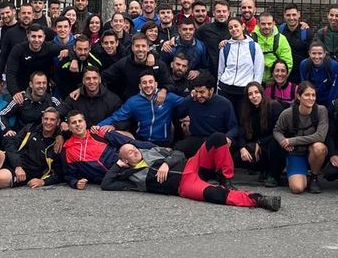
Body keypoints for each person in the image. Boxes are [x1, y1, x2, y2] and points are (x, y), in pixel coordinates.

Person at [102, 134, 282, 211]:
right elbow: (106, 184)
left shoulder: (151, 152)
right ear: (125, 160)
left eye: (134, 148)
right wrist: (118, 165)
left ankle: (226, 178)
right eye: (130, 153)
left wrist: (165, 163)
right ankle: (257, 199)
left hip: (190, 165)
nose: (135, 151)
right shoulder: (131, 179)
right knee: (214, 194)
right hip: (184, 186)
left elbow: (178, 152)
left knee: (218, 138)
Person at [99, 71, 185, 145]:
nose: (148, 85)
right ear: (140, 86)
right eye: (144, 83)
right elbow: (117, 116)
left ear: (156, 84)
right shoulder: (133, 102)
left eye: (150, 82)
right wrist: (98, 126)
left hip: (164, 142)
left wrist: (194, 94)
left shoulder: (168, 97)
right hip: (141, 141)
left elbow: (186, 103)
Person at [273, 82, 329, 195]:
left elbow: (320, 136)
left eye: (313, 95)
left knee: (319, 147)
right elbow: (277, 130)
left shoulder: (321, 110)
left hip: (312, 151)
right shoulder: (288, 113)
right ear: (299, 96)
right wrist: (283, 142)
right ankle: (297, 174)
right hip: (296, 153)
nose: (311, 98)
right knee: (297, 189)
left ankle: (314, 177)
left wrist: (292, 141)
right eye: (307, 95)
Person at [61, 110, 138, 189]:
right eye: (74, 122)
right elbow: (69, 175)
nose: (77, 124)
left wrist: (150, 147)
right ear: (69, 127)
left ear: (85, 123)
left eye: (80, 121)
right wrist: (75, 183)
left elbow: (128, 141)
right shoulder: (68, 149)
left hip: (129, 166)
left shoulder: (97, 132)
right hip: (110, 180)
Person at [172, 73, 239, 155]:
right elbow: (178, 114)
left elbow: (234, 127)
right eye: (196, 91)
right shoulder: (191, 100)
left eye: (202, 92)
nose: (199, 95)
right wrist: (189, 97)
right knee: (178, 147)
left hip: (216, 140)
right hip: (197, 139)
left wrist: (228, 136)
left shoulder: (225, 104)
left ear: (211, 90)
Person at [235, 82, 285, 187]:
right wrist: (242, 147)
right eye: (250, 94)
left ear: (262, 93)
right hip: (257, 144)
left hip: (273, 142)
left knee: (275, 144)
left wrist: (260, 142)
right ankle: (264, 170)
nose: (254, 96)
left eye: (256, 92)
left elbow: (280, 132)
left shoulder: (274, 106)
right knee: (238, 156)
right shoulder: (246, 110)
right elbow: (242, 131)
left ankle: (274, 175)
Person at [217, 18, 265, 116]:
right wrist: (218, 86)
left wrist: (254, 89)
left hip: (244, 90)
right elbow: (220, 69)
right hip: (225, 88)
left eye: (236, 26)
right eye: (230, 28)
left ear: (242, 27)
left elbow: (258, 71)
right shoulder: (225, 47)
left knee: (243, 119)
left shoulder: (254, 47)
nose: (233, 29)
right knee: (226, 118)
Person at [102, 34, 168, 99]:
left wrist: (164, 91)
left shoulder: (158, 64)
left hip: (153, 103)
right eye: (137, 46)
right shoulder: (124, 63)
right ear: (132, 48)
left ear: (148, 48)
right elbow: (104, 76)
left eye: (143, 46)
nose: (140, 49)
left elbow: (169, 83)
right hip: (131, 104)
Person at [0, 70, 62, 138]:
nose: (41, 86)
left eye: (44, 83)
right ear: (31, 84)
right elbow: (1, 114)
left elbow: (64, 117)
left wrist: (60, 135)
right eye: (38, 83)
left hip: (45, 140)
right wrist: (8, 130)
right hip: (22, 137)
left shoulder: (53, 101)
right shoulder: (20, 99)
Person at [5, 24, 63, 96]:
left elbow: (71, 48)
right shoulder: (18, 49)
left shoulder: (49, 48)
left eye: (40, 37)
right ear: (28, 36)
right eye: (33, 36)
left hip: (43, 89)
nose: (36, 40)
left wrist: (70, 55)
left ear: (44, 37)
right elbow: (10, 73)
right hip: (22, 90)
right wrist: (15, 92)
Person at [252, 13, 293, 84]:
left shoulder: (281, 39)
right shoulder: (251, 38)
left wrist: (276, 80)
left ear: (274, 23)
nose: (266, 26)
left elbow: (287, 63)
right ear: (258, 23)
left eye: (269, 24)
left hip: (275, 81)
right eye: (263, 24)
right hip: (253, 80)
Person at [300, 42, 338, 108]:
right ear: (309, 53)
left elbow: (335, 90)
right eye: (314, 53)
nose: (317, 57)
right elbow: (304, 87)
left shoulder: (333, 66)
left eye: (320, 53)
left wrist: (329, 108)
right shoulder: (304, 65)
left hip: (328, 100)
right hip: (311, 100)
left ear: (324, 54)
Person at [280, 4, 312, 71]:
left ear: (299, 14)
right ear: (284, 16)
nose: (291, 18)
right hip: (284, 74)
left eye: (294, 15)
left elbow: (311, 55)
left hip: (301, 74)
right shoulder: (280, 30)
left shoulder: (306, 33)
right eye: (288, 15)